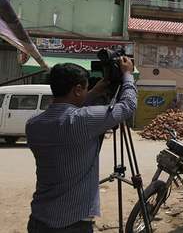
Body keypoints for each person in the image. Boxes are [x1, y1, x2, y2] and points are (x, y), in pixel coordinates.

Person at [26, 58, 136, 233]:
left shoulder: (33, 125)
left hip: (39, 219)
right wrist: (128, 75)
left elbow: (67, 112)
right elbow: (128, 106)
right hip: (74, 224)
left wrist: (93, 92)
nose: (87, 92)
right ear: (77, 90)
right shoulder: (84, 120)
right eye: (85, 88)